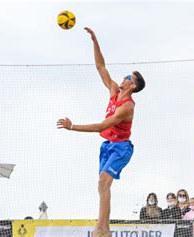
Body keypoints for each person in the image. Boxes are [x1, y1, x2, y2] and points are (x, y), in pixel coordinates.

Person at [56, 27, 145, 237]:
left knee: (104, 182)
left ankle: (101, 230)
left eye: (127, 77)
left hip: (122, 148)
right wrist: (95, 41)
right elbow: (100, 66)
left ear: (132, 86)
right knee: (102, 186)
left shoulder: (127, 107)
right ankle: (105, 229)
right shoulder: (114, 91)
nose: (122, 78)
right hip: (107, 145)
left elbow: (101, 126)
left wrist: (72, 126)